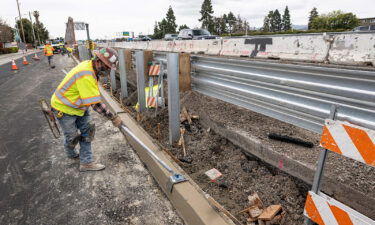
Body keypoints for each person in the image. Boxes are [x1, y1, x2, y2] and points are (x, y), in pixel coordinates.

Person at [50, 47, 123, 172]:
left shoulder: (91, 67)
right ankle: (70, 152)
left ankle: (86, 163)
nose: (107, 70)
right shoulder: (86, 73)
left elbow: (91, 98)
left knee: (87, 132)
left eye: (109, 68)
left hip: (79, 107)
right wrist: (113, 117)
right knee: (72, 138)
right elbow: (95, 104)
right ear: (98, 61)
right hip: (64, 107)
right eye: (106, 66)